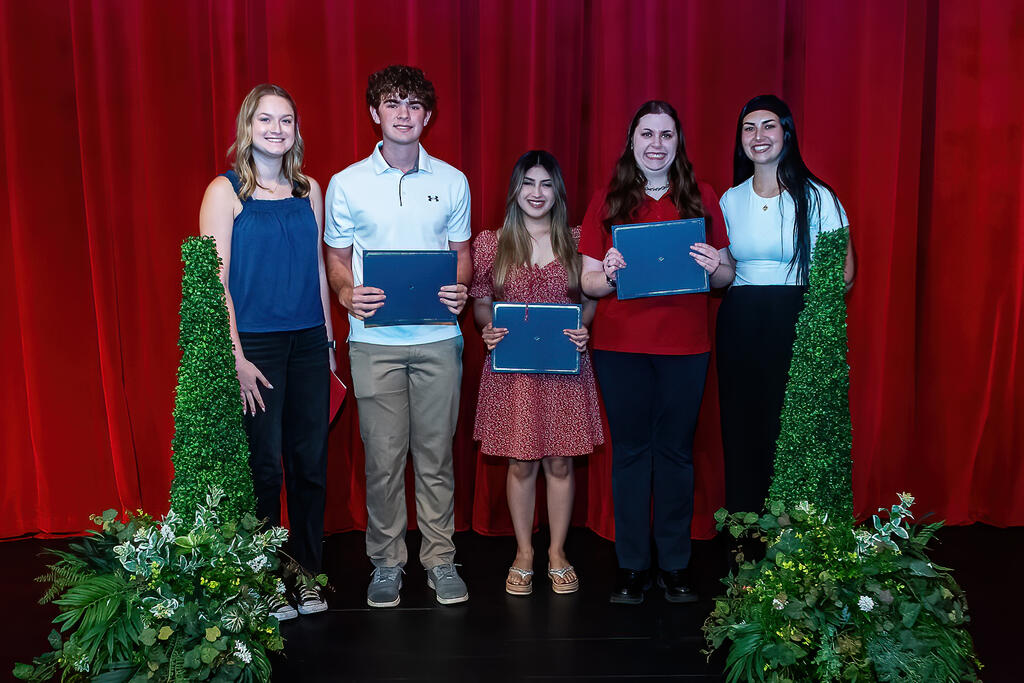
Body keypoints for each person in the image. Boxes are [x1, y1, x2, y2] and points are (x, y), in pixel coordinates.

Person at [323, 65, 471, 608]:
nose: (403, 114)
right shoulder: (346, 183)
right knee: (383, 459)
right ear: (374, 113)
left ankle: (440, 558)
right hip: (373, 342)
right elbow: (337, 259)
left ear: (427, 116)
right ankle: (386, 562)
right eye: (392, 103)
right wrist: (346, 294)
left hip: (438, 338)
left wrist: (460, 287)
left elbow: (461, 254)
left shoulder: (452, 181)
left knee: (435, 456)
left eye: (413, 104)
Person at [579, 100, 732, 605]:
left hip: (685, 347)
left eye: (666, 135)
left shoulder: (702, 196)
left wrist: (714, 266)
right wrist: (608, 272)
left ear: (677, 142)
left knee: (675, 453)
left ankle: (675, 564)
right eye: (647, 134)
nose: (656, 144)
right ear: (632, 141)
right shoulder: (607, 199)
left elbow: (726, 276)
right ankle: (631, 566)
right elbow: (588, 282)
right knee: (629, 453)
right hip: (620, 347)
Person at [199, 84, 335, 619]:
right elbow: (215, 282)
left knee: (309, 466)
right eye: (265, 119)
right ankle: (263, 581)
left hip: (309, 343)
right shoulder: (225, 191)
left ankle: (306, 575)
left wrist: (328, 345)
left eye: (286, 120)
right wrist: (236, 357)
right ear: (247, 127)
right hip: (255, 346)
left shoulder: (309, 189)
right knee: (263, 469)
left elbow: (318, 270)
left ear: (296, 130)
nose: (276, 129)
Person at [470, 151, 603, 596]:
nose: (537, 193)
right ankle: (524, 552)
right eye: (528, 183)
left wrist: (584, 329)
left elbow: (590, 300)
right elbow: (482, 300)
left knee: (561, 463)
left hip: (564, 370)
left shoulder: (578, 240)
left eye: (546, 184)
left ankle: (558, 552)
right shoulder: (491, 243)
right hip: (514, 372)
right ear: (515, 190)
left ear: (557, 192)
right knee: (520, 462)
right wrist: (487, 327)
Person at [716, 94, 854, 514]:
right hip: (740, 324)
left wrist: (816, 333)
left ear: (787, 133)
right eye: (748, 128)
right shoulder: (729, 200)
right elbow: (726, 269)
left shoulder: (818, 197)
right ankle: (746, 533)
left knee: (794, 429)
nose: (758, 136)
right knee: (744, 426)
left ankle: (795, 538)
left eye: (768, 125)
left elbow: (843, 274)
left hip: (797, 322)